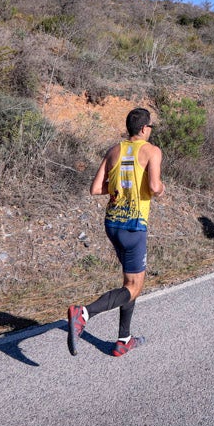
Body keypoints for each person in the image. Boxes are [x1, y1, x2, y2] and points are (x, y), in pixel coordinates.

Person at [67, 107, 164, 357]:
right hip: (134, 226)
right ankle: (84, 313)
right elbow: (154, 187)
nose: (150, 131)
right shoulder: (152, 151)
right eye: (150, 127)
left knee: (130, 281)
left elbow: (95, 188)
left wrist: (118, 187)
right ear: (144, 128)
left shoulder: (114, 150)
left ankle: (124, 339)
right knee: (133, 287)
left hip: (112, 224)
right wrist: (161, 188)